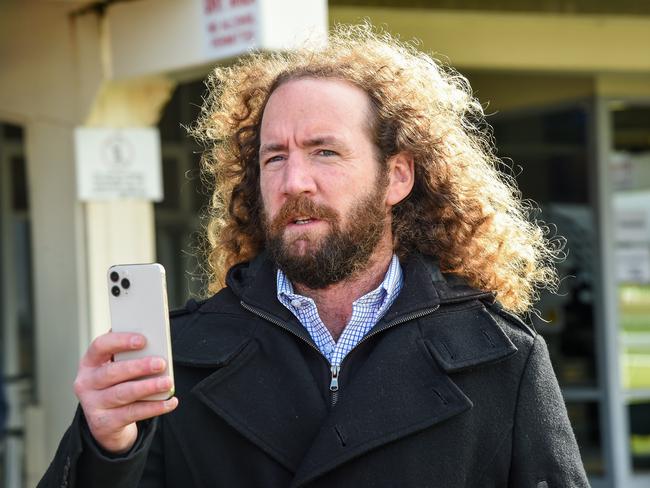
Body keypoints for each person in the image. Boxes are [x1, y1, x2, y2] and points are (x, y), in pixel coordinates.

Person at [39, 24, 590, 487]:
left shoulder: (501, 358)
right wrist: (105, 448)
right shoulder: (177, 358)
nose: (294, 181)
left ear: (397, 176)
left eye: (324, 152)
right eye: (274, 157)